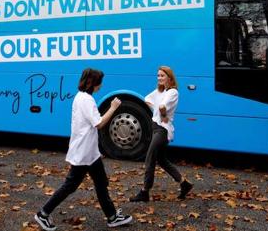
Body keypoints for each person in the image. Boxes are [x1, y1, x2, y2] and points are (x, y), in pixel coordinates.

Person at [34, 68, 133, 231]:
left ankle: (112, 216)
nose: (101, 85)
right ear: (94, 83)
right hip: (84, 152)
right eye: (100, 82)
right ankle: (43, 214)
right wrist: (113, 107)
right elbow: (99, 123)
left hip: (90, 152)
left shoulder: (81, 97)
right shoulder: (86, 100)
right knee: (70, 185)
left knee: (101, 182)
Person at [130, 65, 193, 202]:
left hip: (162, 130)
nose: (159, 78)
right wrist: (157, 111)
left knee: (150, 158)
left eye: (162, 75)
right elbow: (147, 99)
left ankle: (144, 191)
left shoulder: (172, 92)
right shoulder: (161, 91)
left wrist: (163, 114)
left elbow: (162, 106)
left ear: (169, 78)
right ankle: (184, 183)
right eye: (158, 75)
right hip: (156, 128)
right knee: (162, 160)